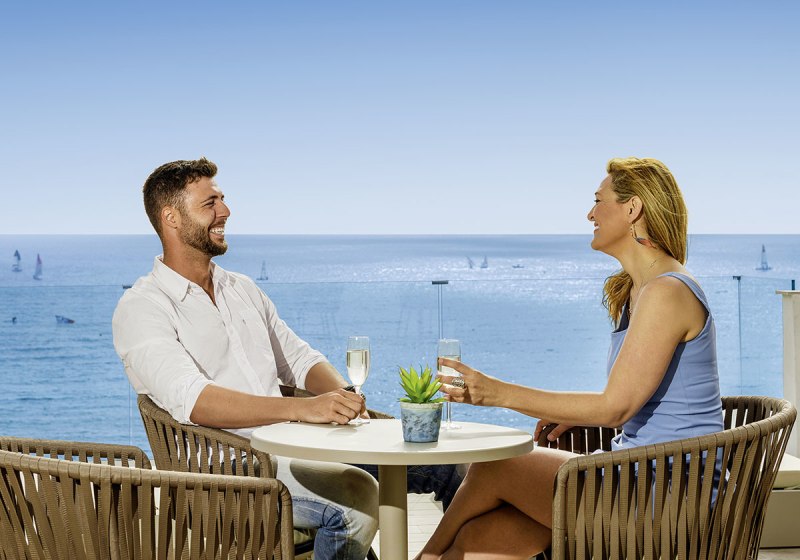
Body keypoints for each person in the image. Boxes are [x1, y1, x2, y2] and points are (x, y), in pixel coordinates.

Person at [112, 157, 462, 560]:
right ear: (171, 218)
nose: (225, 211)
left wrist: (345, 397)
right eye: (210, 203)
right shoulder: (142, 308)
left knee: (452, 469)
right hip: (226, 474)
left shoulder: (241, 289)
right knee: (355, 503)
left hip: (298, 448)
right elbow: (195, 400)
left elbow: (298, 359)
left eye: (222, 199)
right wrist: (304, 409)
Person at [415, 157, 724, 560]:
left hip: (671, 496)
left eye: (598, 201)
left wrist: (495, 393)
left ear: (633, 208)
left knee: (496, 465)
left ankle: (423, 557)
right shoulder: (639, 291)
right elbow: (640, 399)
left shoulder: (667, 292)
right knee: (481, 537)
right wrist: (584, 415)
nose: (590, 214)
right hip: (638, 475)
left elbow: (615, 407)